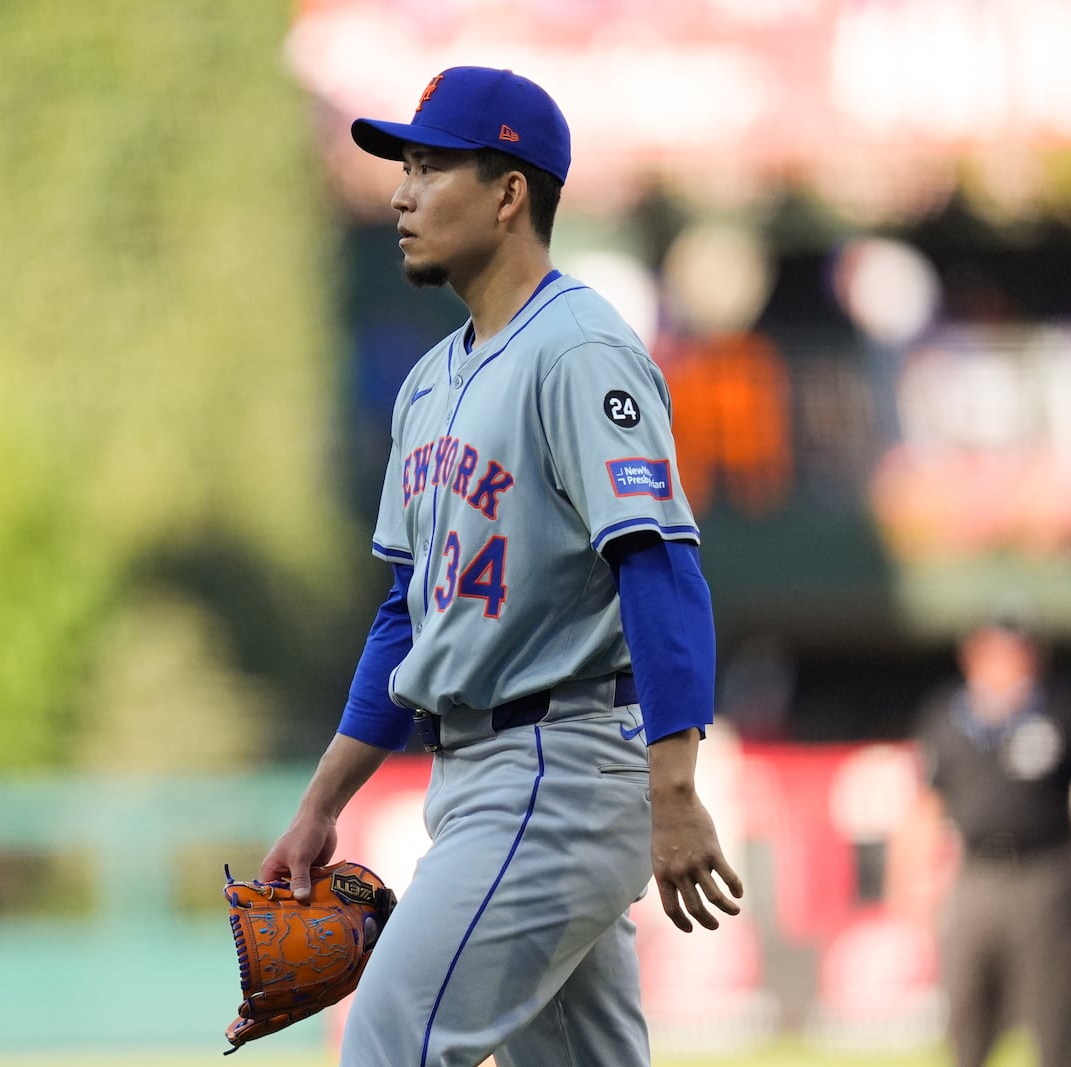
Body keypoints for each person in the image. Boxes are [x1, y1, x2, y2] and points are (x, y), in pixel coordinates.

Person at [257, 67, 742, 1067]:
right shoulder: (430, 384)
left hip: (556, 768)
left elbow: (660, 566)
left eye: (429, 167)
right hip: (485, 769)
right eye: (403, 169)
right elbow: (406, 619)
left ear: (509, 190)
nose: (400, 193)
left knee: (387, 1044)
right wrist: (321, 803)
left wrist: (675, 785)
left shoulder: (576, 350)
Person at [889, 616, 1071, 1067]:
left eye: (1015, 649)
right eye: (993, 650)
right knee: (966, 1007)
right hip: (976, 875)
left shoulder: (1065, 710)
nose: (1004, 661)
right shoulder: (948, 716)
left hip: (1044, 872)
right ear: (972, 655)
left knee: (1055, 1014)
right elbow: (926, 805)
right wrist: (908, 881)